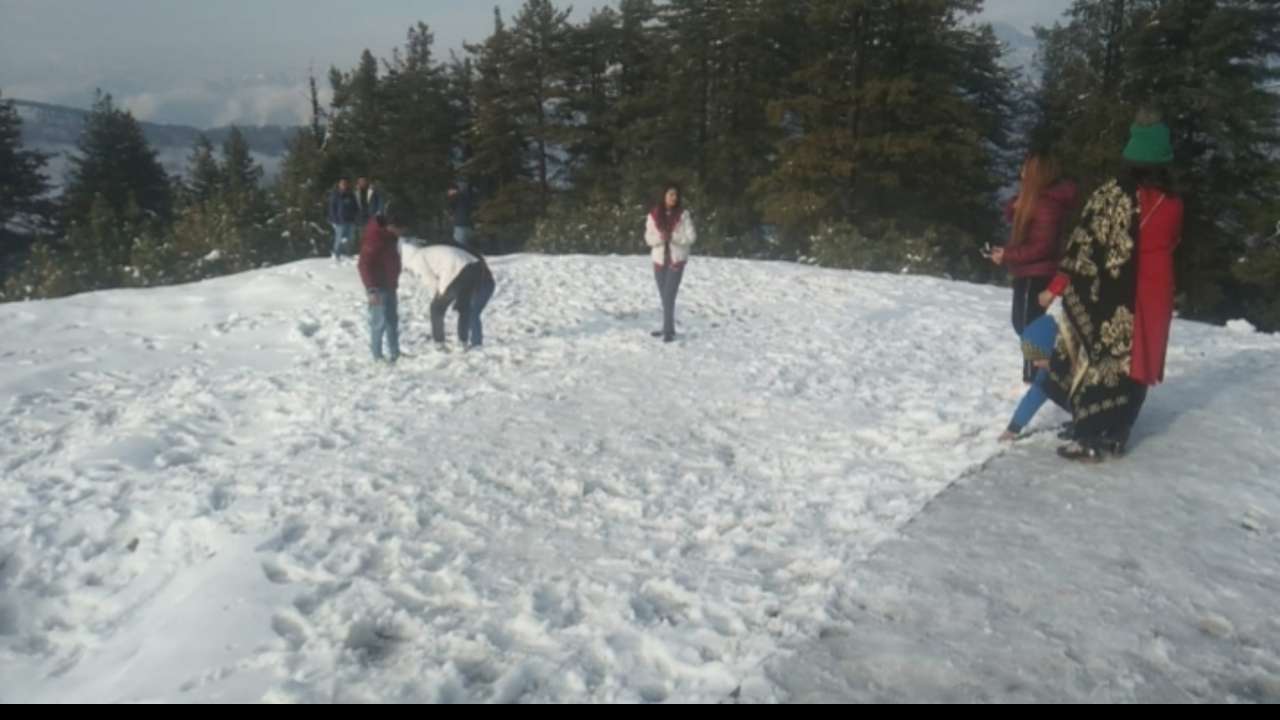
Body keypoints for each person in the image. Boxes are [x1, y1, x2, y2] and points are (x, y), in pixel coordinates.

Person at [1042, 112, 1184, 462]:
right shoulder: (1174, 201)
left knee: (1099, 354)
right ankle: (1118, 431)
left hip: (1110, 289)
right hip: (1154, 288)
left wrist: (1058, 285)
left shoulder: (1111, 194)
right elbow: (1173, 242)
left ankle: (1088, 433)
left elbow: (1084, 244)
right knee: (1138, 360)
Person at [990, 150, 1078, 382]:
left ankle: (1035, 373)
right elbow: (1015, 217)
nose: (1021, 172)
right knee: (1022, 322)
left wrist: (1008, 254)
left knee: (1028, 324)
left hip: (1037, 272)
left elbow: (1042, 247)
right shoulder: (1036, 200)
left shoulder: (1047, 205)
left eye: (1026, 168)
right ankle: (1040, 368)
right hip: (1027, 271)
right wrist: (1016, 205)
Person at [400, 240, 496, 349]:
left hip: (457, 271)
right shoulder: (428, 252)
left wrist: (438, 294)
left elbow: (429, 279)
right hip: (474, 267)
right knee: (464, 307)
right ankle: (462, 342)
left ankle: (439, 343)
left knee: (436, 308)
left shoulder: (416, 259)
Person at [644, 183, 697, 343]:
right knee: (665, 297)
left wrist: (673, 238)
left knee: (668, 295)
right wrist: (661, 238)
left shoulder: (683, 215)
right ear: (663, 196)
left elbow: (691, 237)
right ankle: (668, 328)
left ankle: (668, 331)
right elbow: (648, 238)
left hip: (676, 260)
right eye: (670, 194)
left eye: (676, 195)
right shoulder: (653, 215)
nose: (674, 197)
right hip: (659, 261)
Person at [357, 212, 403, 363]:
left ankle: (395, 353)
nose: (401, 233)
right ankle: (377, 356)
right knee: (379, 322)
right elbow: (363, 265)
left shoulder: (391, 237)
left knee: (392, 321)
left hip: (390, 285)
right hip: (377, 288)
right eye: (400, 229)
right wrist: (371, 289)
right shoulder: (374, 239)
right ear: (391, 226)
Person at [328, 178, 359, 261]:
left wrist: (355, 216)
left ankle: (348, 254)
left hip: (351, 220)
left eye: (345, 183)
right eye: (342, 183)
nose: (344, 185)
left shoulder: (351, 194)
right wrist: (334, 220)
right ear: (339, 185)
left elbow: (356, 207)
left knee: (350, 238)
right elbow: (332, 208)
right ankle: (336, 254)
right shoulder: (335, 194)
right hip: (339, 221)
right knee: (339, 238)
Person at [447, 182, 475, 248]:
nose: (448, 192)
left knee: (459, 247)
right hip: (468, 225)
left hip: (460, 225)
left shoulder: (457, 197)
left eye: (450, 190)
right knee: (466, 247)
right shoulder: (467, 196)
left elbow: (451, 207)